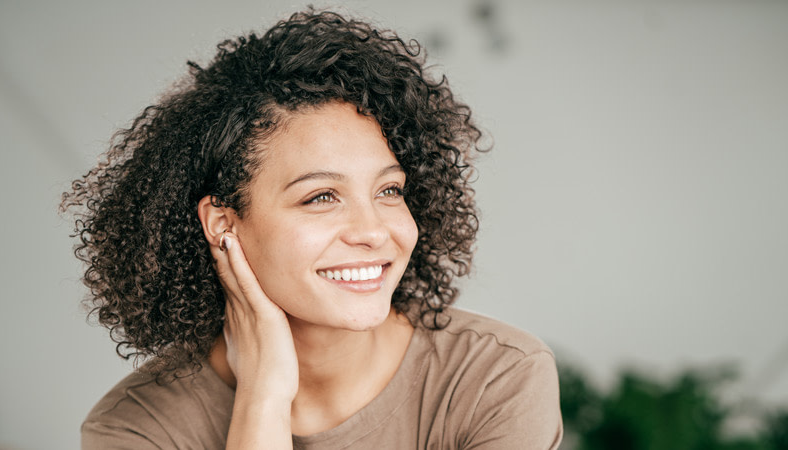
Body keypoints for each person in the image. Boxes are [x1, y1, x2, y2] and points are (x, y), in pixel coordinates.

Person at [64, 10, 563, 449]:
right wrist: (263, 393)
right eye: (321, 197)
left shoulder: (496, 378)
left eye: (389, 191)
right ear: (223, 223)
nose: (372, 231)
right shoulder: (137, 430)